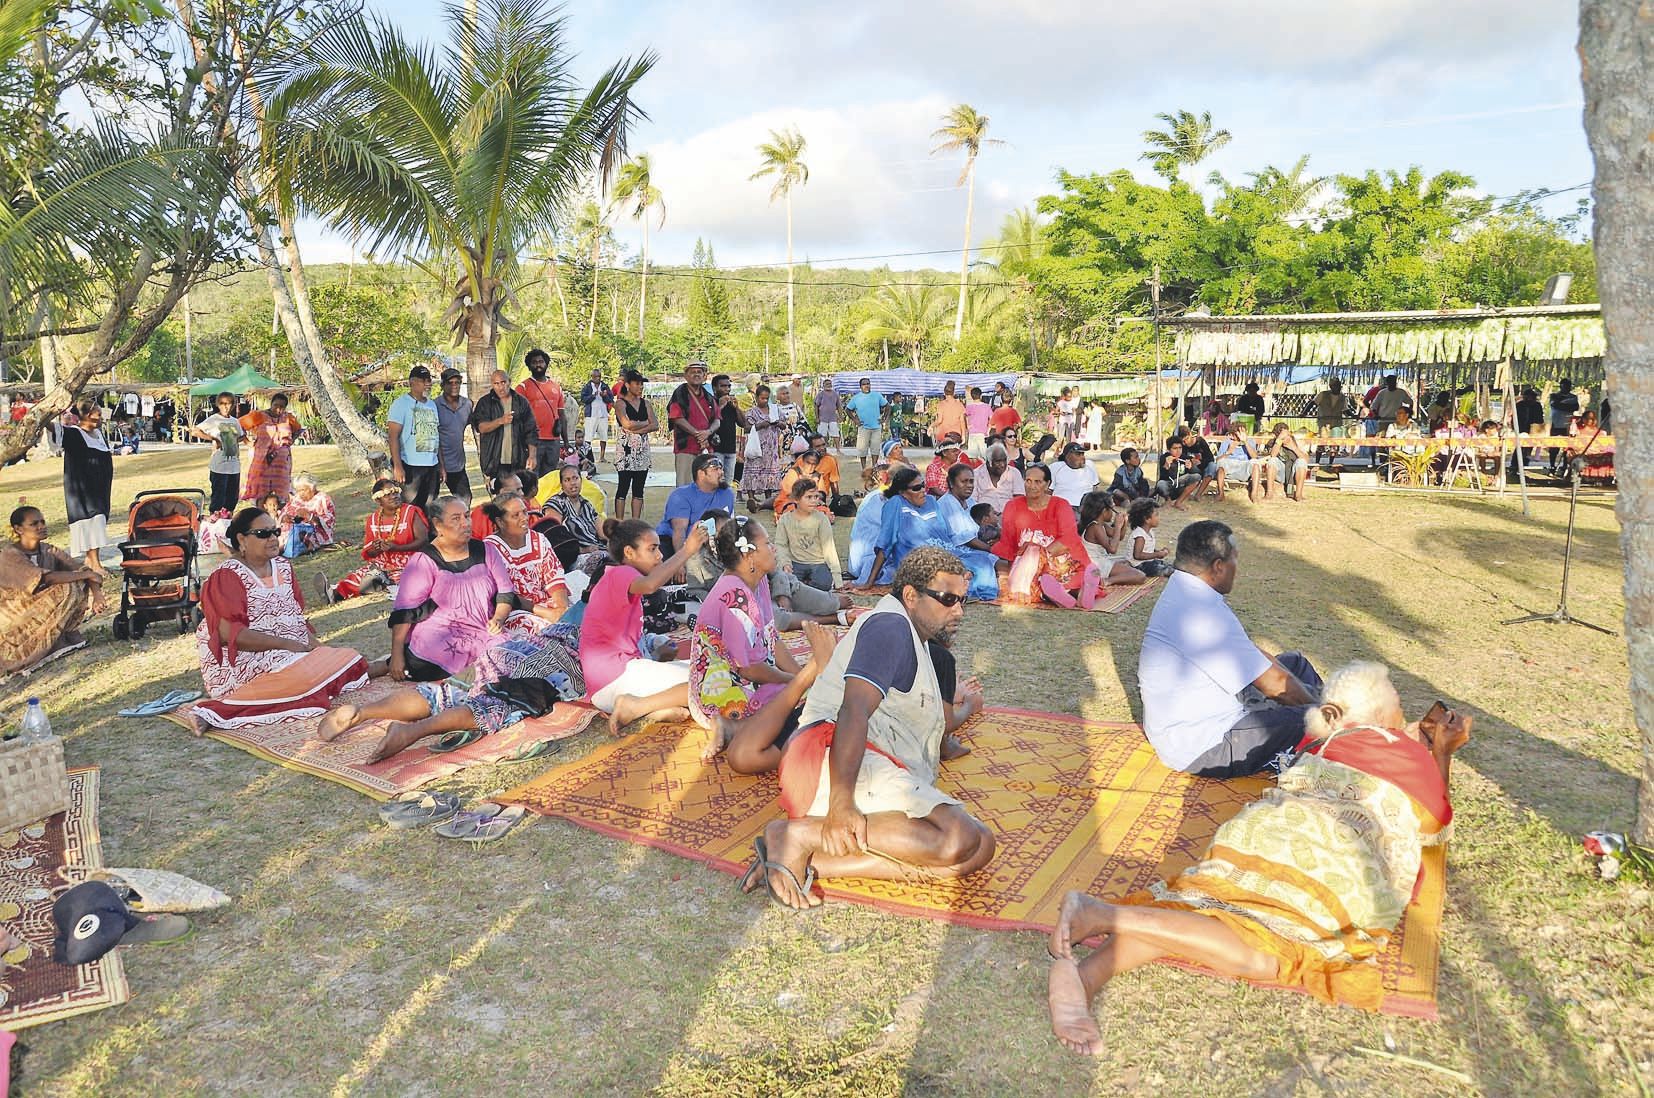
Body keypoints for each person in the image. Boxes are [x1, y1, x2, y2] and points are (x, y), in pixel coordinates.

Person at [1048, 663, 1468, 1055]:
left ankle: (1085, 979)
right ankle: (1103, 916)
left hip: (1258, 834)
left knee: (1205, 910)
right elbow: (1435, 828)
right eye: (1397, 704)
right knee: (1267, 956)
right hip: (1324, 857)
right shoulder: (1405, 752)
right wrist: (1441, 754)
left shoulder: (1322, 741)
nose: (1404, 713)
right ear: (1379, 715)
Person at [750, 548, 994, 910]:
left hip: (863, 758)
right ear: (911, 595)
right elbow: (853, 710)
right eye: (947, 599)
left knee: (980, 847)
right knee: (958, 837)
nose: (958, 611)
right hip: (828, 757)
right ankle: (793, 834)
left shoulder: (911, 633)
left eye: (962, 601)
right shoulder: (890, 628)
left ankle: (810, 860)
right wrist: (841, 805)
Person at [1138, 519, 1323, 777]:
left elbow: (1254, 656)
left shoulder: (1185, 589)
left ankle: (1316, 727)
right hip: (1205, 745)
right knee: (1316, 719)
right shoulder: (1201, 612)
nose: (1238, 568)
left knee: (1295, 664)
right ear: (1218, 567)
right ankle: (1338, 744)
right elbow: (1274, 683)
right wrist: (1321, 713)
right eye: (1235, 560)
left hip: (1196, 721)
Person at [192, 507, 374, 731]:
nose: (272, 539)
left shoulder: (283, 567)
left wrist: (320, 651)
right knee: (304, 676)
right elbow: (228, 635)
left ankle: (317, 680)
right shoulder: (227, 576)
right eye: (263, 534)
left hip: (289, 655)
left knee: (347, 657)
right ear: (242, 539)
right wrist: (288, 645)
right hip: (244, 661)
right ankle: (218, 711)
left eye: (275, 532)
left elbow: (294, 620)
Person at [692, 517, 838, 773]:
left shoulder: (757, 582)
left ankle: (735, 727)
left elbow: (772, 638)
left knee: (807, 689)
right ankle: (730, 724)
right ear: (748, 555)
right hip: (725, 689)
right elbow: (748, 669)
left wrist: (797, 675)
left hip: (745, 677)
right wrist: (798, 680)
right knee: (804, 701)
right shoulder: (735, 597)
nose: (774, 549)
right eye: (768, 543)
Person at [388, 496, 543, 684]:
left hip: (481, 629)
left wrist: (498, 619)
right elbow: (405, 612)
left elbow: (505, 593)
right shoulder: (423, 561)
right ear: (438, 525)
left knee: (509, 656)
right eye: (456, 519)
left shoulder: (486, 551)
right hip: (440, 634)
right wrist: (396, 655)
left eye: (467, 516)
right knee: (431, 659)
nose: (465, 523)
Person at [579, 518, 709, 732]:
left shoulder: (621, 578)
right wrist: (688, 550)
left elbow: (626, 640)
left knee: (708, 670)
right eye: (652, 549)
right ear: (629, 553)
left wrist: (657, 654)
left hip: (611, 682)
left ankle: (652, 707)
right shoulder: (621, 572)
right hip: (614, 680)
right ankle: (636, 705)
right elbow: (651, 585)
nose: (659, 556)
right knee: (711, 681)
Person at [0, 506, 105, 675]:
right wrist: (88, 575)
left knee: (76, 581)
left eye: (42, 521)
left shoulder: (48, 549)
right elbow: (45, 578)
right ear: (18, 529)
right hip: (13, 615)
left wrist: (97, 595)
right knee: (68, 586)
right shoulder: (10, 554)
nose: (41, 526)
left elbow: (82, 570)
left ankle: (58, 640)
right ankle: (33, 650)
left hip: (38, 607)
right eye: (34, 524)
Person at [992, 463, 1104, 609]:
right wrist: (1014, 569)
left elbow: (1068, 539)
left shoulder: (1061, 505)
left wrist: (1041, 556)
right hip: (1029, 565)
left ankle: (1063, 593)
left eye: (1038, 482)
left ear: (1048, 484)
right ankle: (1071, 594)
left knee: (1041, 573)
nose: (1031, 486)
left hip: (1062, 562)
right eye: (1028, 481)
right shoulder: (1012, 506)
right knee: (1035, 573)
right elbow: (1009, 544)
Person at [322, 479, 428, 603]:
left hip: (410, 561)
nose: (394, 496)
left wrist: (396, 548)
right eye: (388, 494)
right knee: (359, 575)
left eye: (395, 492)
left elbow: (423, 541)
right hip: (382, 563)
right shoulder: (373, 519)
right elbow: (369, 553)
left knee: (406, 579)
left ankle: (381, 582)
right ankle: (336, 594)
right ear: (378, 500)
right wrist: (376, 548)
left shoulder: (411, 512)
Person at [482, 492, 570, 625]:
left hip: (545, 603)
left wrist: (562, 609)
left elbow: (554, 578)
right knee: (535, 627)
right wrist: (547, 613)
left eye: (525, 512)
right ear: (500, 522)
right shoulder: (490, 549)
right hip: (514, 610)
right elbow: (504, 596)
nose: (524, 518)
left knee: (577, 615)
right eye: (515, 515)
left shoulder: (539, 539)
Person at [858, 465, 941, 592]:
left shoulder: (931, 501)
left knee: (980, 561)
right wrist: (870, 582)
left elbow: (945, 535)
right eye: (917, 488)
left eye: (923, 485)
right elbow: (885, 544)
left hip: (944, 553)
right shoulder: (895, 503)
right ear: (902, 492)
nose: (923, 490)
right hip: (920, 562)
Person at [61, 399, 114, 575]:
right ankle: (95, 563)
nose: (100, 417)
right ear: (87, 415)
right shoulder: (74, 434)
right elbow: (54, 431)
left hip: (101, 487)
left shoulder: (99, 434)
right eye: (98, 413)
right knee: (93, 520)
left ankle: (89, 559)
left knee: (100, 519)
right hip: (83, 488)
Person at [934, 463, 1001, 600]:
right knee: (992, 562)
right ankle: (981, 591)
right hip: (957, 551)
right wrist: (992, 549)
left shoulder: (969, 501)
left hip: (973, 548)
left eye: (971, 481)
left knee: (1002, 563)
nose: (969, 485)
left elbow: (980, 526)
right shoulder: (947, 503)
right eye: (964, 481)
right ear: (952, 484)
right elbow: (967, 539)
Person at [386, 366, 443, 515]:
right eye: (423, 381)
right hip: (411, 466)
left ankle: (427, 537)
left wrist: (441, 466)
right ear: (412, 382)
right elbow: (393, 437)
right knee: (410, 508)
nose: (427, 384)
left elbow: (436, 436)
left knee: (430, 507)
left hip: (432, 465)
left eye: (429, 380)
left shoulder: (432, 405)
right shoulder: (400, 404)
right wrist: (398, 466)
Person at [470, 368, 537, 492]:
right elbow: (481, 427)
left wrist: (532, 456)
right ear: (492, 384)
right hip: (494, 461)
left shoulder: (521, 402)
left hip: (518, 460)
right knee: (499, 496)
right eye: (496, 383)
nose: (501, 387)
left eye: (503, 382)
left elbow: (531, 430)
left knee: (519, 493)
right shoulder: (485, 403)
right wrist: (500, 421)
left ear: (509, 382)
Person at [659, 453, 736, 553]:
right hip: (674, 543)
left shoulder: (727, 494)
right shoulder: (681, 495)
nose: (721, 472)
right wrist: (681, 564)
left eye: (721, 468)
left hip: (709, 543)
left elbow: (730, 527)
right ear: (701, 474)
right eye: (715, 469)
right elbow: (679, 532)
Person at [774, 480, 842, 590]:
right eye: (809, 497)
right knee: (784, 583)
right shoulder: (785, 519)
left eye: (816, 497)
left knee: (824, 584)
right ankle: (804, 588)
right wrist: (785, 564)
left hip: (818, 563)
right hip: (795, 562)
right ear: (796, 499)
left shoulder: (821, 519)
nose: (814, 501)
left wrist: (837, 579)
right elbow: (780, 545)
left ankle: (806, 589)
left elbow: (829, 548)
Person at [238, 393, 302, 504]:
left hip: (281, 463)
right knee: (260, 490)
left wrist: (288, 443)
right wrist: (247, 441)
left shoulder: (288, 418)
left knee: (280, 493)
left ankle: (278, 514)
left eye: (282, 407)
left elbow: (298, 430)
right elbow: (239, 425)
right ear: (271, 404)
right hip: (261, 460)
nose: (278, 409)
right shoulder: (259, 416)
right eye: (276, 405)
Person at [1075, 492, 1148, 588]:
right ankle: (1106, 581)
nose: (1114, 513)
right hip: (1095, 563)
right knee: (1140, 576)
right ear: (1104, 511)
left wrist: (1124, 523)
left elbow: (1119, 537)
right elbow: (1112, 549)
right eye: (1112, 509)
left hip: (1098, 559)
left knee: (1126, 561)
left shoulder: (1100, 525)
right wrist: (1117, 526)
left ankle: (1108, 576)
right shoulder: (1096, 527)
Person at [192, 392, 247, 513]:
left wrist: (233, 441)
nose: (226, 407)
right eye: (223, 404)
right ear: (218, 404)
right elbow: (195, 431)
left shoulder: (234, 421)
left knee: (232, 499)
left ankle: (228, 521)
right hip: (219, 465)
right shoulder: (214, 419)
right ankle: (215, 523)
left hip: (234, 465)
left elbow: (242, 436)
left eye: (229, 404)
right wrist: (214, 439)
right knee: (218, 498)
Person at [612, 369, 655, 520]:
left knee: (639, 488)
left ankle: (636, 522)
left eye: (641, 384)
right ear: (628, 385)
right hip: (625, 450)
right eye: (637, 384)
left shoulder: (646, 403)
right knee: (623, 486)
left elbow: (654, 424)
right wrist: (644, 425)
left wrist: (636, 427)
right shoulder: (620, 403)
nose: (640, 387)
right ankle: (619, 521)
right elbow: (626, 424)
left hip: (642, 450)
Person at [666, 360, 718, 485]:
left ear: (704, 375)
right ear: (686, 376)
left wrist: (708, 432)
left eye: (699, 372)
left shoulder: (708, 396)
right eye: (692, 372)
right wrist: (698, 434)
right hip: (686, 447)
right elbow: (677, 418)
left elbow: (717, 419)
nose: (696, 375)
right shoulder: (680, 393)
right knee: (685, 485)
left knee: (707, 484)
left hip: (705, 446)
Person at [518, 348, 568, 471]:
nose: (538, 365)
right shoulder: (522, 387)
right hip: (532, 441)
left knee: (550, 476)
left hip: (553, 441)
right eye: (534, 362)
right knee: (532, 477)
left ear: (546, 364)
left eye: (541, 361)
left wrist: (566, 441)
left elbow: (562, 415)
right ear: (529, 366)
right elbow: (518, 417)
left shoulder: (556, 387)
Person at [541, 464, 607, 556]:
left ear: (581, 480)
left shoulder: (586, 505)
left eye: (575, 478)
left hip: (597, 550)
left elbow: (603, 532)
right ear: (562, 485)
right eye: (567, 480)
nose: (572, 483)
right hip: (573, 556)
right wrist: (583, 550)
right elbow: (554, 537)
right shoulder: (555, 504)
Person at [741, 384, 786, 510]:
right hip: (757, 446)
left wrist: (779, 424)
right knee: (753, 469)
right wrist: (760, 425)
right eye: (762, 398)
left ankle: (768, 498)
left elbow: (784, 423)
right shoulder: (752, 412)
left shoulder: (774, 409)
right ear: (756, 397)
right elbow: (746, 427)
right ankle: (751, 496)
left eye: (767, 398)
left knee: (770, 472)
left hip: (771, 449)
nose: (765, 401)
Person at [433, 368, 475, 500]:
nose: (454, 386)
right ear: (442, 385)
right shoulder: (434, 406)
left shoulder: (467, 404)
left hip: (457, 465)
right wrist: (441, 466)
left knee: (465, 500)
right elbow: (433, 438)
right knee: (429, 504)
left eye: (457, 382)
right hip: (435, 464)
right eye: (450, 383)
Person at [277, 473, 336, 558]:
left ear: (312, 488)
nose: (301, 493)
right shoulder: (297, 498)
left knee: (292, 539)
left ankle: (282, 549)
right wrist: (285, 518)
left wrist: (310, 516)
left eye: (303, 490)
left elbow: (329, 522)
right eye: (298, 490)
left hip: (312, 533)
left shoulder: (323, 499)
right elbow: (284, 512)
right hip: (292, 530)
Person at [1257, 422, 1311, 502]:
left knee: (1301, 461)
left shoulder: (1295, 441)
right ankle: (1269, 493)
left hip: (1293, 473)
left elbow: (1306, 459)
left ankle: (1298, 494)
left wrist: (1293, 447)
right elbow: (1273, 454)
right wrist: (1279, 441)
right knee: (1273, 460)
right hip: (1280, 473)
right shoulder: (1273, 443)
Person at [972, 443, 1025, 517]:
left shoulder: (1014, 473)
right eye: (998, 461)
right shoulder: (976, 474)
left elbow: (1019, 499)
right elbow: (973, 502)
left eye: (1004, 460)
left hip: (1009, 516)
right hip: (985, 518)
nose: (1002, 464)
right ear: (988, 462)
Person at [847, 378, 888, 468]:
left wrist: (884, 418)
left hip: (876, 427)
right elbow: (848, 409)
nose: (866, 386)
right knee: (862, 449)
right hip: (863, 427)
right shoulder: (856, 398)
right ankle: (864, 468)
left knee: (875, 449)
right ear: (860, 386)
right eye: (864, 384)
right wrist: (855, 420)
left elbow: (887, 406)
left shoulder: (877, 395)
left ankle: (874, 467)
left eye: (868, 383)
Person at [1049, 442, 1101, 512]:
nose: (1082, 457)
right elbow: (1049, 491)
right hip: (1063, 506)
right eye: (1078, 454)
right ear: (1067, 456)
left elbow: (1095, 488)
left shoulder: (1090, 465)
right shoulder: (1056, 467)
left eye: (1083, 454)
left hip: (1086, 506)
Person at [1212, 424, 1259, 502]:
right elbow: (1218, 460)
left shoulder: (1250, 441)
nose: (1242, 435)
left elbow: (1254, 457)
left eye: (1244, 432)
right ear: (1232, 435)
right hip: (1229, 467)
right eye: (1239, 433)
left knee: (1255, 463)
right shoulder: (1227, 442)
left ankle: (1254, 494)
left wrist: (1245, 442)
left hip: (1243, 467)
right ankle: (1221, 493)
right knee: (1221, 463)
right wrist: (1228, 452)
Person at [1125, 498, 1170, 577]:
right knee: (1160, 569)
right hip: (1139, 566)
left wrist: (1159, 552)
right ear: (1147, 519)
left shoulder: (1149, 532)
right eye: (1156, 515)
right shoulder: (1140, 535)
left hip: (1147, 562)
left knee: (1164, 563)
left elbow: (1147, 549)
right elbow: (1138, 555)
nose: (1158, 518)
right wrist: (1157, 554)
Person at [580, 367, 614, 462]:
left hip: (603, 414)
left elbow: (610, 399)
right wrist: (592, 396)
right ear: (592, 377)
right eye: (595, 376)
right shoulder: (587, 387)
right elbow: (583, 399)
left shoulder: (604, 386)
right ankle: (587, 457)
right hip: (591, 415)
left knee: (604, 436)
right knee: (588, 437)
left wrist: (605, 396)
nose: (597, 378)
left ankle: (602, 457)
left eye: (599, 376)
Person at [1154, 440, 1201, 509]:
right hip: (1169, 486)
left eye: (1180, 448)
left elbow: (1198, 473)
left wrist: (1191, 467)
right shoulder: (1164, 457)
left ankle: (1179, 502)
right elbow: (1162, 477)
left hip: (1180, 485)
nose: (1178, 451)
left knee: (1197, 476)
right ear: (1169, 450)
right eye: (1175, 448)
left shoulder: (1185, 458)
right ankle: (1168, 500)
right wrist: (1166, 465)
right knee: (1160, 484)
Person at [1549, 378, 1581, 476]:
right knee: (1554, 446)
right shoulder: (1554, 395)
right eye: (1564, 385)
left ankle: (1565, 466)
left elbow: (1575, 407)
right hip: (1556, 423)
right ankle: (1552, 466)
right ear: (1560, 386)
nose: (1566, 388)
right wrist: (1565, 404)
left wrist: (1562, 404)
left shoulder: (1573, 397)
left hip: (1568, 425)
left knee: (1568, 447)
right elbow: (1555, 405)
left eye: (1568, 386)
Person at [1512, 385, 1544, 478]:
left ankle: (1523, 466)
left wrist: (1539, 428)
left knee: (1528, 449)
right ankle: (1514, 466)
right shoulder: (1519, 405)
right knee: (1519, 447)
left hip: (1533, 429)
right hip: (1521, 428)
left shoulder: (1537, 405)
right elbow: (1515, 417)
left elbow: (1540, 418)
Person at [805, 433, 842, 499]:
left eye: (823, 445)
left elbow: (834, 483)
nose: (822, 448)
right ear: (810, 448)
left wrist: (837, 501)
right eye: (818, 446)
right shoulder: (802, 460)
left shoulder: (830, 460)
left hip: (821, 499)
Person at [930, 380, 967, 448]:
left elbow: (939, 420)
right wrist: (963, 435)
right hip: (955, 435)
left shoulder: (941, 405)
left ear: (944, 393)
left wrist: (931, 426)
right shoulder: (960, 405)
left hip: (943, 435)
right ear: (954, 393)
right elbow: (962, 421)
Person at [962, 387, 993, 460]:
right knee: (985, 456)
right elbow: (992, 419)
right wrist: (989, 429)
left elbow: (964, 416)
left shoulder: (969, 407)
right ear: (981, 396)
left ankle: (974, 470)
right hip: (983, 434)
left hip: (972, 433)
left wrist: (967, 426)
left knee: (972, 457)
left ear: (971, 396)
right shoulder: (987, 406)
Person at [814, 382, 843, 454]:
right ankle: (823, 450)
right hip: (823, 418)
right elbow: (816, 406)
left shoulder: (835, 394)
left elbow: (839, 406)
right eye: (827, 384)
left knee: (836, 434)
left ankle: (838, 450)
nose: (829, 385)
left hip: (833, 418)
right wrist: (817, 417)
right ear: (823, 385)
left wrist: (840, 416)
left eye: (830, 383)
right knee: (822, 435)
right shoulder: (820, 394)